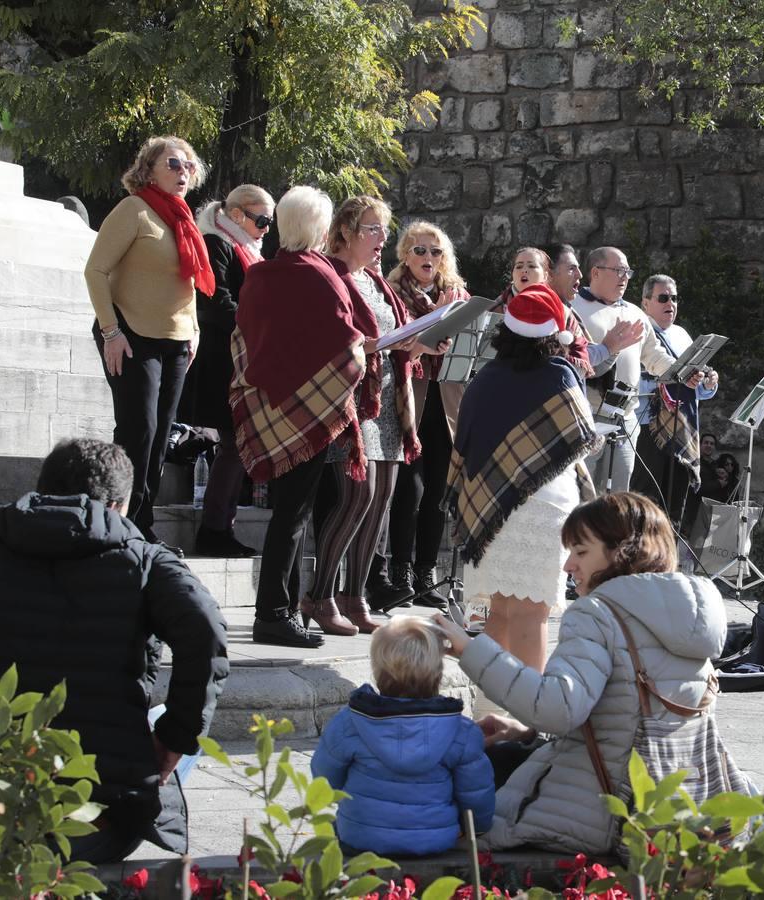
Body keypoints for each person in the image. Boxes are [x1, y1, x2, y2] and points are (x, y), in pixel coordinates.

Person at [0, 438, 229, 864]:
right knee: (168, 741)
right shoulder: (145, 562)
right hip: (97, 816)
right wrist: (176, 737)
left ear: (42, 488)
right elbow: (207, 630)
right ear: (121, 504)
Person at [433, 492, 735, 855]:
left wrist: (471, 649)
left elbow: (558, 709)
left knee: (467, 771)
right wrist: (527, 732)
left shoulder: (596, 613)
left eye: (581, 552)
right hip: (671, 808)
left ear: (623, 551)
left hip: (598, 815)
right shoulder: (688, 616)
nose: (567, 566)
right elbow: (625, 715)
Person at [232, 186, 369, 648]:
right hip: (311, 411)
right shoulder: (321, 275)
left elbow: (245, 340)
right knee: (295, 514)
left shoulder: (260, 274)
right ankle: (273, 614)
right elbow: (347, 345)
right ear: (320, 228)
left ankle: (286, 608)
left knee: (291, 511)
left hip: (273, 408)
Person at [447, 283, 599, 671]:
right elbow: (581, 439)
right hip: (547, 508)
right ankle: (530, 716)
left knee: (493, 613)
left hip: (488, 509)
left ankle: (488, 712)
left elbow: (463, 447)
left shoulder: (484, 380)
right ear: (557, 332)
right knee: (532, 616)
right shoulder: (561, 376)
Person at [85, 135, 210, 550]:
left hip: (175, 339)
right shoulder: (134, 210)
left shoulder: (183, 218)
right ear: (148, 169)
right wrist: (110, 332)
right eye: (173, 163)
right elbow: (96, 271)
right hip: (131, 333)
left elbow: (188, 282)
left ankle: (142, 523)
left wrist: (193, 331)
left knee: (161, 439)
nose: (183, 172)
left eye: (188, 166)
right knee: (140, 431)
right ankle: (119, 522)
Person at [309, 196, 426, 635]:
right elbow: (336, 336)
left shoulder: (376, 280)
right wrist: (381, 345)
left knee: (381, 501)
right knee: (355, 498)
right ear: (346, 232)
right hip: (352, 400)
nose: (382, 239)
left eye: (384, 230)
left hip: (390, 400)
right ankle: (319, 594)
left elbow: (389, 334)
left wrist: (418, 342)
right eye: (372, 229)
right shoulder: (333, 275)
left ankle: (354, 597)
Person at [310, 616, 494, 856]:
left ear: (378, 670)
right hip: (435, 838)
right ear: (438, 672)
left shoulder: (351, 722)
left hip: (360, 836)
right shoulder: (461, 731)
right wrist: (477, 829)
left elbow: (325, 777)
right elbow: (476, 793)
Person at [181, 184, 275, 558]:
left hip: (242, 362)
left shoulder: (247, 248)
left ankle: (221, 526)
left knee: (238, 447)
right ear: (237, 215)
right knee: (235, 446)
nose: (267, 229)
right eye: (263, 219)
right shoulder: (217, 243)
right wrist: (260, 326)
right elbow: (214, 300)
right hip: (222, 362)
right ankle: (214, 529)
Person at [381, 221, 470, 611]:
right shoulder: (392, 292)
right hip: (407, 397)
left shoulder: (458, 297)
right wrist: (418, 347)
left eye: (435, 252)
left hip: (447, 399)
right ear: (404, 255)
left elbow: (472, 348)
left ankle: (426, 574)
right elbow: (385, 348)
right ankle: (398, 571)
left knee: (437, 492)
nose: (428, 258)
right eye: (419, 251)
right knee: (409, 489)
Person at [572, 247, 704, 493]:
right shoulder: (573, 306)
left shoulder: (634, 313)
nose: (625, 277)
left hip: (625, 420)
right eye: (619, 270)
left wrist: (684, 373)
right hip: (585, 417)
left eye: (627, 272)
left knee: (620, 497)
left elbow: (654, 356)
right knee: (582, 496)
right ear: (596, 272)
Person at [631, 275, 719, 531]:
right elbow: (637, 379)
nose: (671, 303)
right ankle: (641, 559)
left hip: (683, 428)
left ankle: (669, 561)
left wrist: (708, 383)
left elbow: (693, 390)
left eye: (674, 298)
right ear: (646, 303)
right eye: (663, 298)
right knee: (645, 501)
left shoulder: (682, 334)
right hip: (650, 428)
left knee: (676, 504)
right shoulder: (640, 332)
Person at [497, 246, 593, 377]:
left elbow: (580, 355)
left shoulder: (564, 313)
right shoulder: (495, 307)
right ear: (513, 274)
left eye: (532, 266)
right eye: (518, 266)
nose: (524, 270)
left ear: (546, 275)